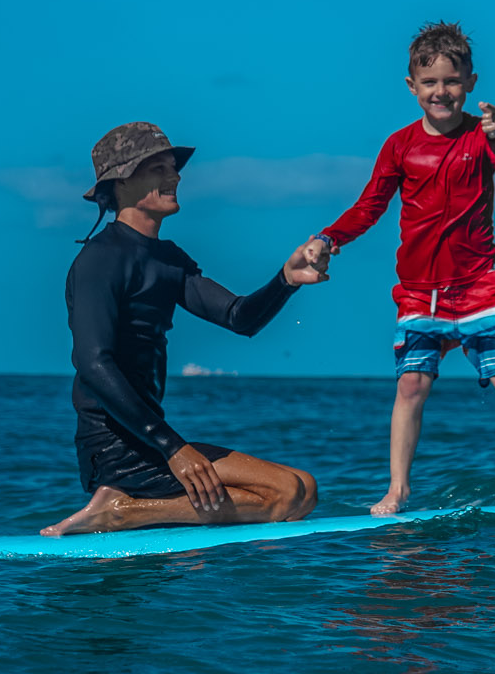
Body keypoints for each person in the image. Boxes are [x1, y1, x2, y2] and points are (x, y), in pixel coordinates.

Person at [309, 21, 495, 515]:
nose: (441, 91)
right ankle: (397, 489)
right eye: (429, 82)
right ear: (412, 86)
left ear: (470, 82)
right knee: (411, 385)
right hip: (418, 291)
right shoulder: (400, 145)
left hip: (476, 286)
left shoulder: (482, 137)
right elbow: (369, 206)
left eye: (451, 81)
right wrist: (328, 238)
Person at [43, 122, 329, 536]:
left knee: (304, 488)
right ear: (121, 182)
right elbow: (93, 363)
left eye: (173, 168)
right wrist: (174, 448)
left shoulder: (168, 258)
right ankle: (122, 511)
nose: (174, 177)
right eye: (158, 169)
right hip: (114, 447)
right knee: (285, 495)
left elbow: (239, 317)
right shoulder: (99, 260)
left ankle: (131, 508)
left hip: (150, 440)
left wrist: (286, 279)